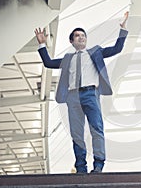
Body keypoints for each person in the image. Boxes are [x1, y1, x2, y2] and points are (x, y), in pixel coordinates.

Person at [35, 12, 129, 173]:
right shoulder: (67, 58)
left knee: (96, 129)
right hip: (73, 97)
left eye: (83, 35)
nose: (81, 37)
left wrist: (123, 29)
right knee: (77, 133)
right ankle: (81, 168)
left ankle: (98, 165)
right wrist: (42, 44)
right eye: (77, 36)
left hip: (90, 94)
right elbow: (49, 63)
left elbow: (117, 48)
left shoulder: (95, 52)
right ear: (71, 41)